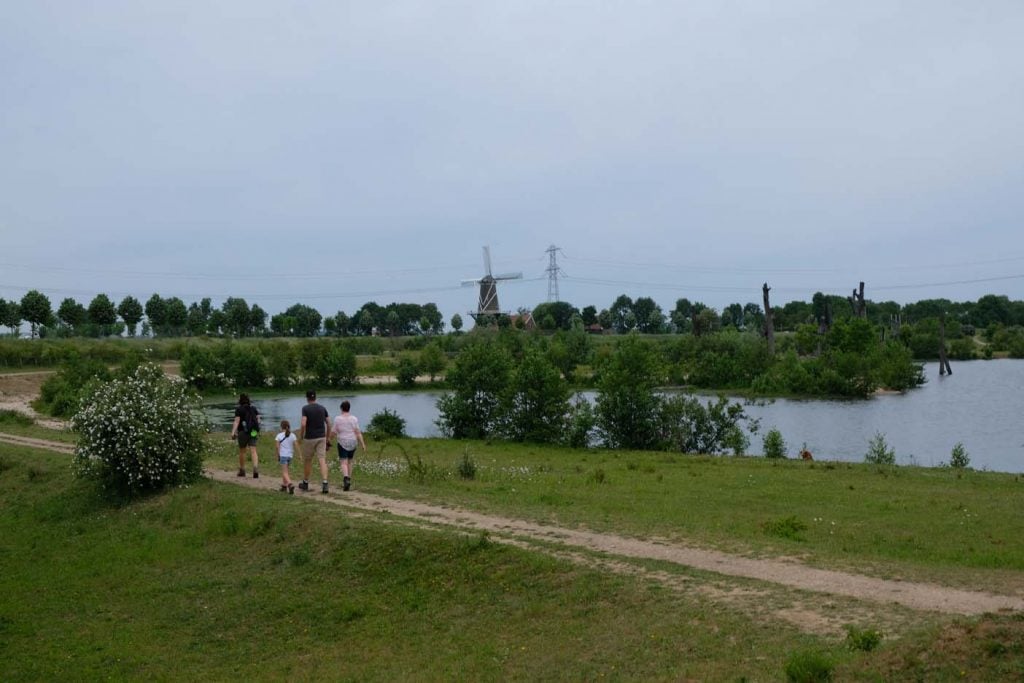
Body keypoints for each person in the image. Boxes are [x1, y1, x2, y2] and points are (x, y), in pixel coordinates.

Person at [298, 389, 331, 493]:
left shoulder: (305, 409)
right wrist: (328, 437)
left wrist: (301, 435)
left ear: (307, 398)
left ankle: (306, 482)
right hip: (322, 437)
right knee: (322, 460)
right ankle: (325, 482)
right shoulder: (322, 408)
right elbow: (329, 423)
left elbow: (303, 423)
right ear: (315, 397)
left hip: (309, 438)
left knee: (308, 460)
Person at [331, 400, 367, 491]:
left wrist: (328, 440)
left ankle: (346, 478)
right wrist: (362, 444)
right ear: (349, 408)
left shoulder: (337, 419)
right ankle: (349, 479)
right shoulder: (354, 419)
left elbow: (333, 432)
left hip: (343, 442)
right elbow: (358, 432)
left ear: (341, 408)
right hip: (353, 442)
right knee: (350, 461)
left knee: (343, 462)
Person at [230, 393, 260, 478]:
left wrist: (233, 432)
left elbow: (237, 421)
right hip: (253, 432)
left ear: (240, 400)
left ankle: (242, 470)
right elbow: (258, 420)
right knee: (253, 450)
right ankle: (255, 469)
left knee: (242, 451)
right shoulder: (253, 408)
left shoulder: (239, 409)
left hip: (243, 432)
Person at [275, 420, 297, 494]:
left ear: (281, 427)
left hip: (283, 455)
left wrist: (278, 455)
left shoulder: (279, 436)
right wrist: (300, 455)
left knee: (284, 472)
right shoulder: (293, 435)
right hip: (290, 456)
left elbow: (277, 447)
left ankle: (290, 484)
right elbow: (296, 445)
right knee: (286, 471)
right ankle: (284, 486)